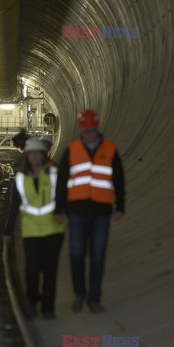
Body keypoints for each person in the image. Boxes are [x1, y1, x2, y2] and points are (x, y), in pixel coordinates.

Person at [55, 109, 125, 314]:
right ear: (81, 130)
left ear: (97, 128)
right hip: (76, 211)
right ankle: (79, 294)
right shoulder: (72, 150)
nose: (89, 135)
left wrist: (120, 206)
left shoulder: (110, 150)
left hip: (102, 212)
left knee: (97, 256)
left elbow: (118, 180)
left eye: (92, 131)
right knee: (76, 254)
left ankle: (94, 299)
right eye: (86, 131)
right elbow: (62, 181)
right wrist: (59, 207)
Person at [3, 138, 65, 319]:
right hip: (31, 231)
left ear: (43, 155)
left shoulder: (54, 174)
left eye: (38, 153)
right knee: (31, 269)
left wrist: (63, 211)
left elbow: (63, 196)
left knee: (50, 270)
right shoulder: (21, 179)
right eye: (32, 154)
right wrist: (7, 231)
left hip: (53, 230)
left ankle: (48, 308)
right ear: (27, 156)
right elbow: (14, 206)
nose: (35, 157)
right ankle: (31, 301)